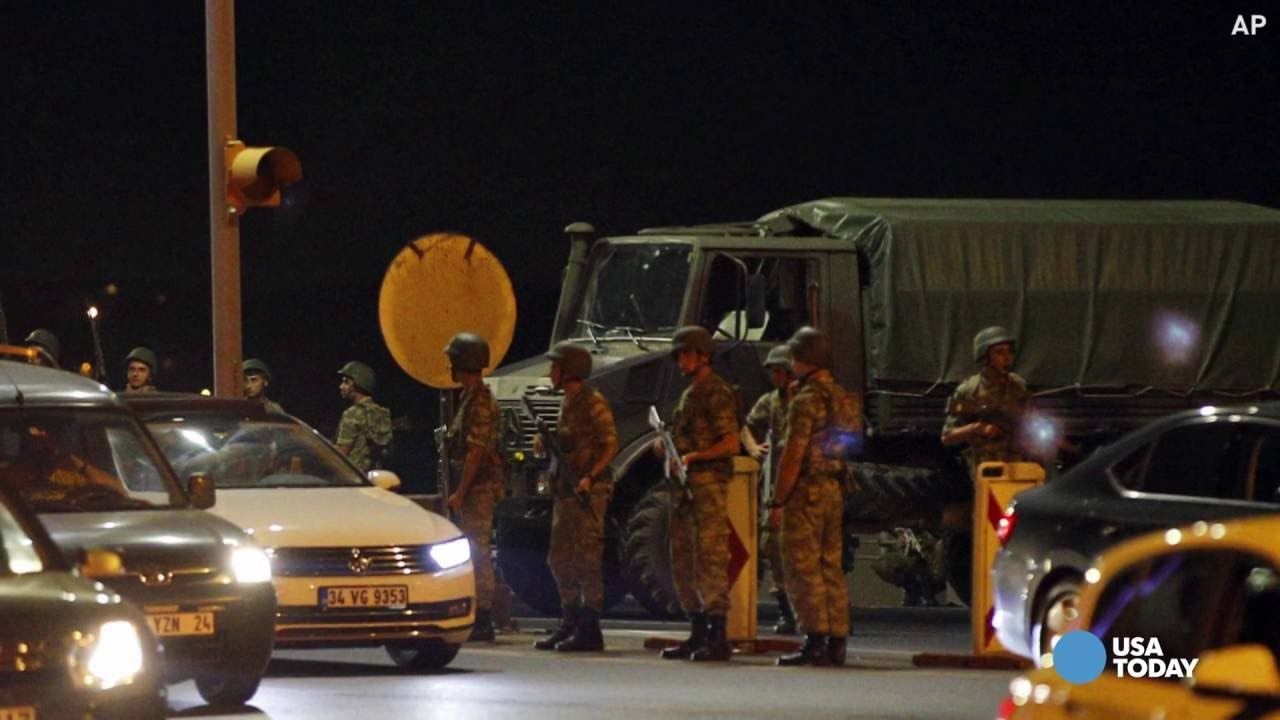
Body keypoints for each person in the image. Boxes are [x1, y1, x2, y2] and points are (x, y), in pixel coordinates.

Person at [769, 326, 861, 667]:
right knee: (830, 565)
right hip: (834, 489)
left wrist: (778, 500)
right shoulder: (843, 397)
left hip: (805, 490)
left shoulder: (805, 400)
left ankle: (815, 640)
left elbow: (793, 454)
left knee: (802, 566)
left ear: (803, 359)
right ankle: (837, 641)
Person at [654, 325, 740, 662]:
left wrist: (696, 457)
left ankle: (717, 635)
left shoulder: (716, 392)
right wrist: (667, 446)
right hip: (685, 489)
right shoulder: (690, 394)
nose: (681, 361)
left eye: (687, 354)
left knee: (710, 557)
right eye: (679, 355)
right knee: (684, 558)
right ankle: (698, 630)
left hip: (707, 486)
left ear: (704, 356)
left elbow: (730, 442)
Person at [534, 341, 618, 652]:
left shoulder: (592, 402)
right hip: (565, 491)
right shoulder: (567, 402)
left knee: (587, 558)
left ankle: (590, 627)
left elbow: (610, 443)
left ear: (568, 370)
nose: (550, 373)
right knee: (559, 557)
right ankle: (569, 620)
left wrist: (590, 476)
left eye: (555, 367)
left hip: (587, 492)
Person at [442, 333, 503, 642]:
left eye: (453, 361)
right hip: (470, 488)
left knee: (477, 552)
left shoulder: (480, 402)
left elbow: (476, 452)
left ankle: (484, 618)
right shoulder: (468, 398)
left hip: (478, 489)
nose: (449, 367)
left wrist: (460, 492)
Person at [741, 344, 798, 634]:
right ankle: (786, 609)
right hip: (776, 482)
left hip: (805, 485)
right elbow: (747, 427)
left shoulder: (807, 401)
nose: (774, 377)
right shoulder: (771, 401)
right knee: (773, 545)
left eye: (779, 371)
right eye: (773, 371)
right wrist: (754, 448)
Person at [940, 326, 1032, 474]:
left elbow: (1031, 421)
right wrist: (977, 428)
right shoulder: (969, 390)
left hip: (1019, 466)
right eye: (999, 352)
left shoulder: (1018, 385)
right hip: (986, 468)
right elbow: (947, 437)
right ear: (984, 357)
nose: (1007, 358)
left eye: (1009, 351)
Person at [4, 422, 127, 501]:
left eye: (47, 433)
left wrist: (74, 460)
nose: (43, 439)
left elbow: (120, 491)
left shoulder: (68, 474)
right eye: (36, 436)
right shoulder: (12, 474)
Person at [335, 361, 392, 473]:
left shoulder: (352, 414)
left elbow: (341, 455)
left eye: (346, 382)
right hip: (374, 476)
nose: (341, 386)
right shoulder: (381, 413)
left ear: (357, 384)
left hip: (352, 476)